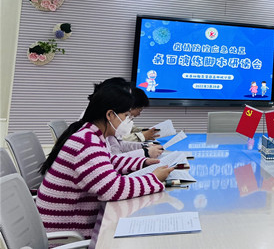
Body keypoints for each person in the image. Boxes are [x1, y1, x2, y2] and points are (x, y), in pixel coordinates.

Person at [37, 81, 174, 238]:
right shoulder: (86, 143)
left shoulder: (90, 135)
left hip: (71, 225)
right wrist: (154, 179)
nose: (128, 121)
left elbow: (107, 162)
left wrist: (142, 162)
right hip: (67, 235)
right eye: (125, 116)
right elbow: (112, 189)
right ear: (110, 115)